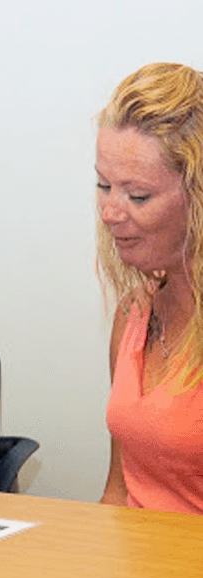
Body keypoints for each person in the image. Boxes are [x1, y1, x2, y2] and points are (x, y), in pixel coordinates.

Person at [97, 62, 203, 514]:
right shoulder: (134, 314)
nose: (109, 213)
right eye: (103, 186)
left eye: (137, 196)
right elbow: (119, 492)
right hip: (143, 572)